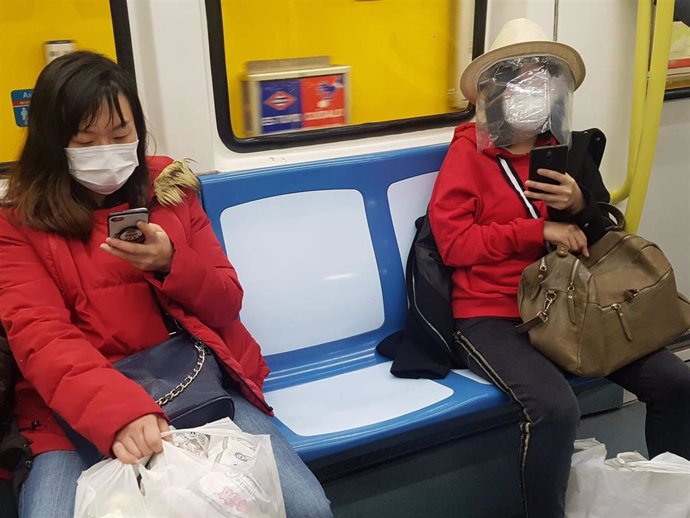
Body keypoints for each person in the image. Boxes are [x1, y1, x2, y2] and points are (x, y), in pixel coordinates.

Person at [0, 50, 332, 518]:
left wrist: (172, 264)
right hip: (69, 408)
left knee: (305, 509)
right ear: (54, 145)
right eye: (86, 141)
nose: (106, 152)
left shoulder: (169, 189)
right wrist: (120, 412)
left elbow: (226, 302)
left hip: (190, 383)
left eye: (120, 136)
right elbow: (41, 337)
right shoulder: (17, 222)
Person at [429, 18, 690, 518]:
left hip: (572, 304)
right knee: (554, 409)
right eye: (518, 76)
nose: (532, 88)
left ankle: (671, 497)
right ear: (495, 91)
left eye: (541, 76)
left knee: (675, 383)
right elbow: (454, 244)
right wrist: (538, 231)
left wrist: (578, 207)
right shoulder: (469, 153)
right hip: (495, 310)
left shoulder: (567, 147)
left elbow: (602, 233)